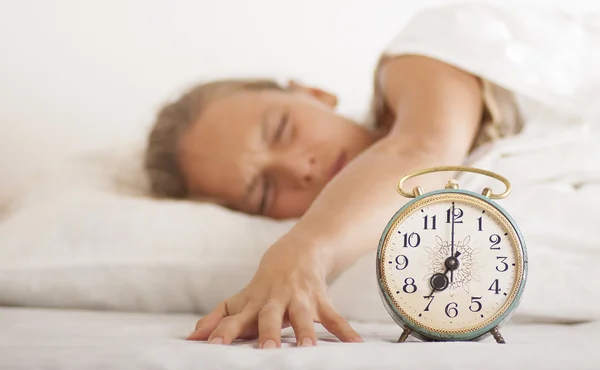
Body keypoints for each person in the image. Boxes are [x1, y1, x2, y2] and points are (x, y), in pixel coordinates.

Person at [144, 3, 539, 349]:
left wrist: (304, 247)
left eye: (283, 129)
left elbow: (420, 149)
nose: (299, 168)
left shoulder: (419, 59)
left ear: (314, 93)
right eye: (264, 190)